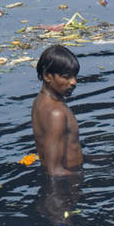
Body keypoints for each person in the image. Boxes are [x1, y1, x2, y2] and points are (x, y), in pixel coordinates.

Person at [31, 45, 83, 177]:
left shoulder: (40, 102)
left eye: (74, 76)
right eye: (67, 77)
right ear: (47, 76)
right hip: (64, 188)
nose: (74, 82)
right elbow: (54, 170)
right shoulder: (56, 113)